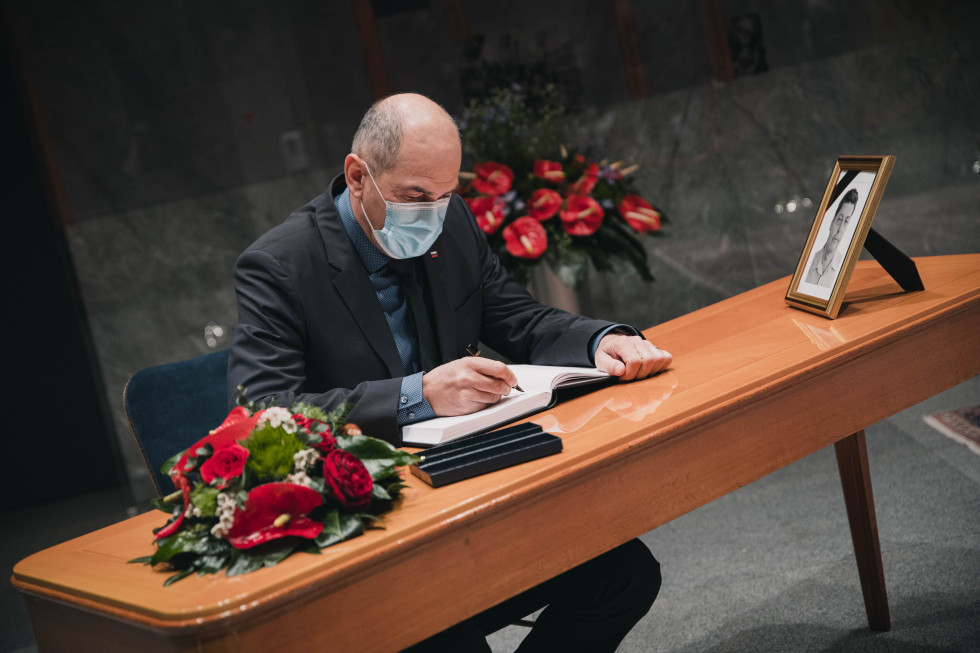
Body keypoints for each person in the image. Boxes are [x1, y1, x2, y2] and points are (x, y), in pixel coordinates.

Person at [228, 93, 672, 652]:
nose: (432, 215)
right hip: (375, 531)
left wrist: (601, 339)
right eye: (415, 196)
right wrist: (418, 394)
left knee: (623, 575)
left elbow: (516, 316)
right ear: (357, 176)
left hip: (468, 493)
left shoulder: (451, 220)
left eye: (444, 195)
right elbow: (261, 414)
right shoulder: (280, 266)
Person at [805, 188, 859, 287]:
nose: (840, 229)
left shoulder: (843, 269)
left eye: (846, 221)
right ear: (831, 222)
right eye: (839, 219)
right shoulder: (808, 262)